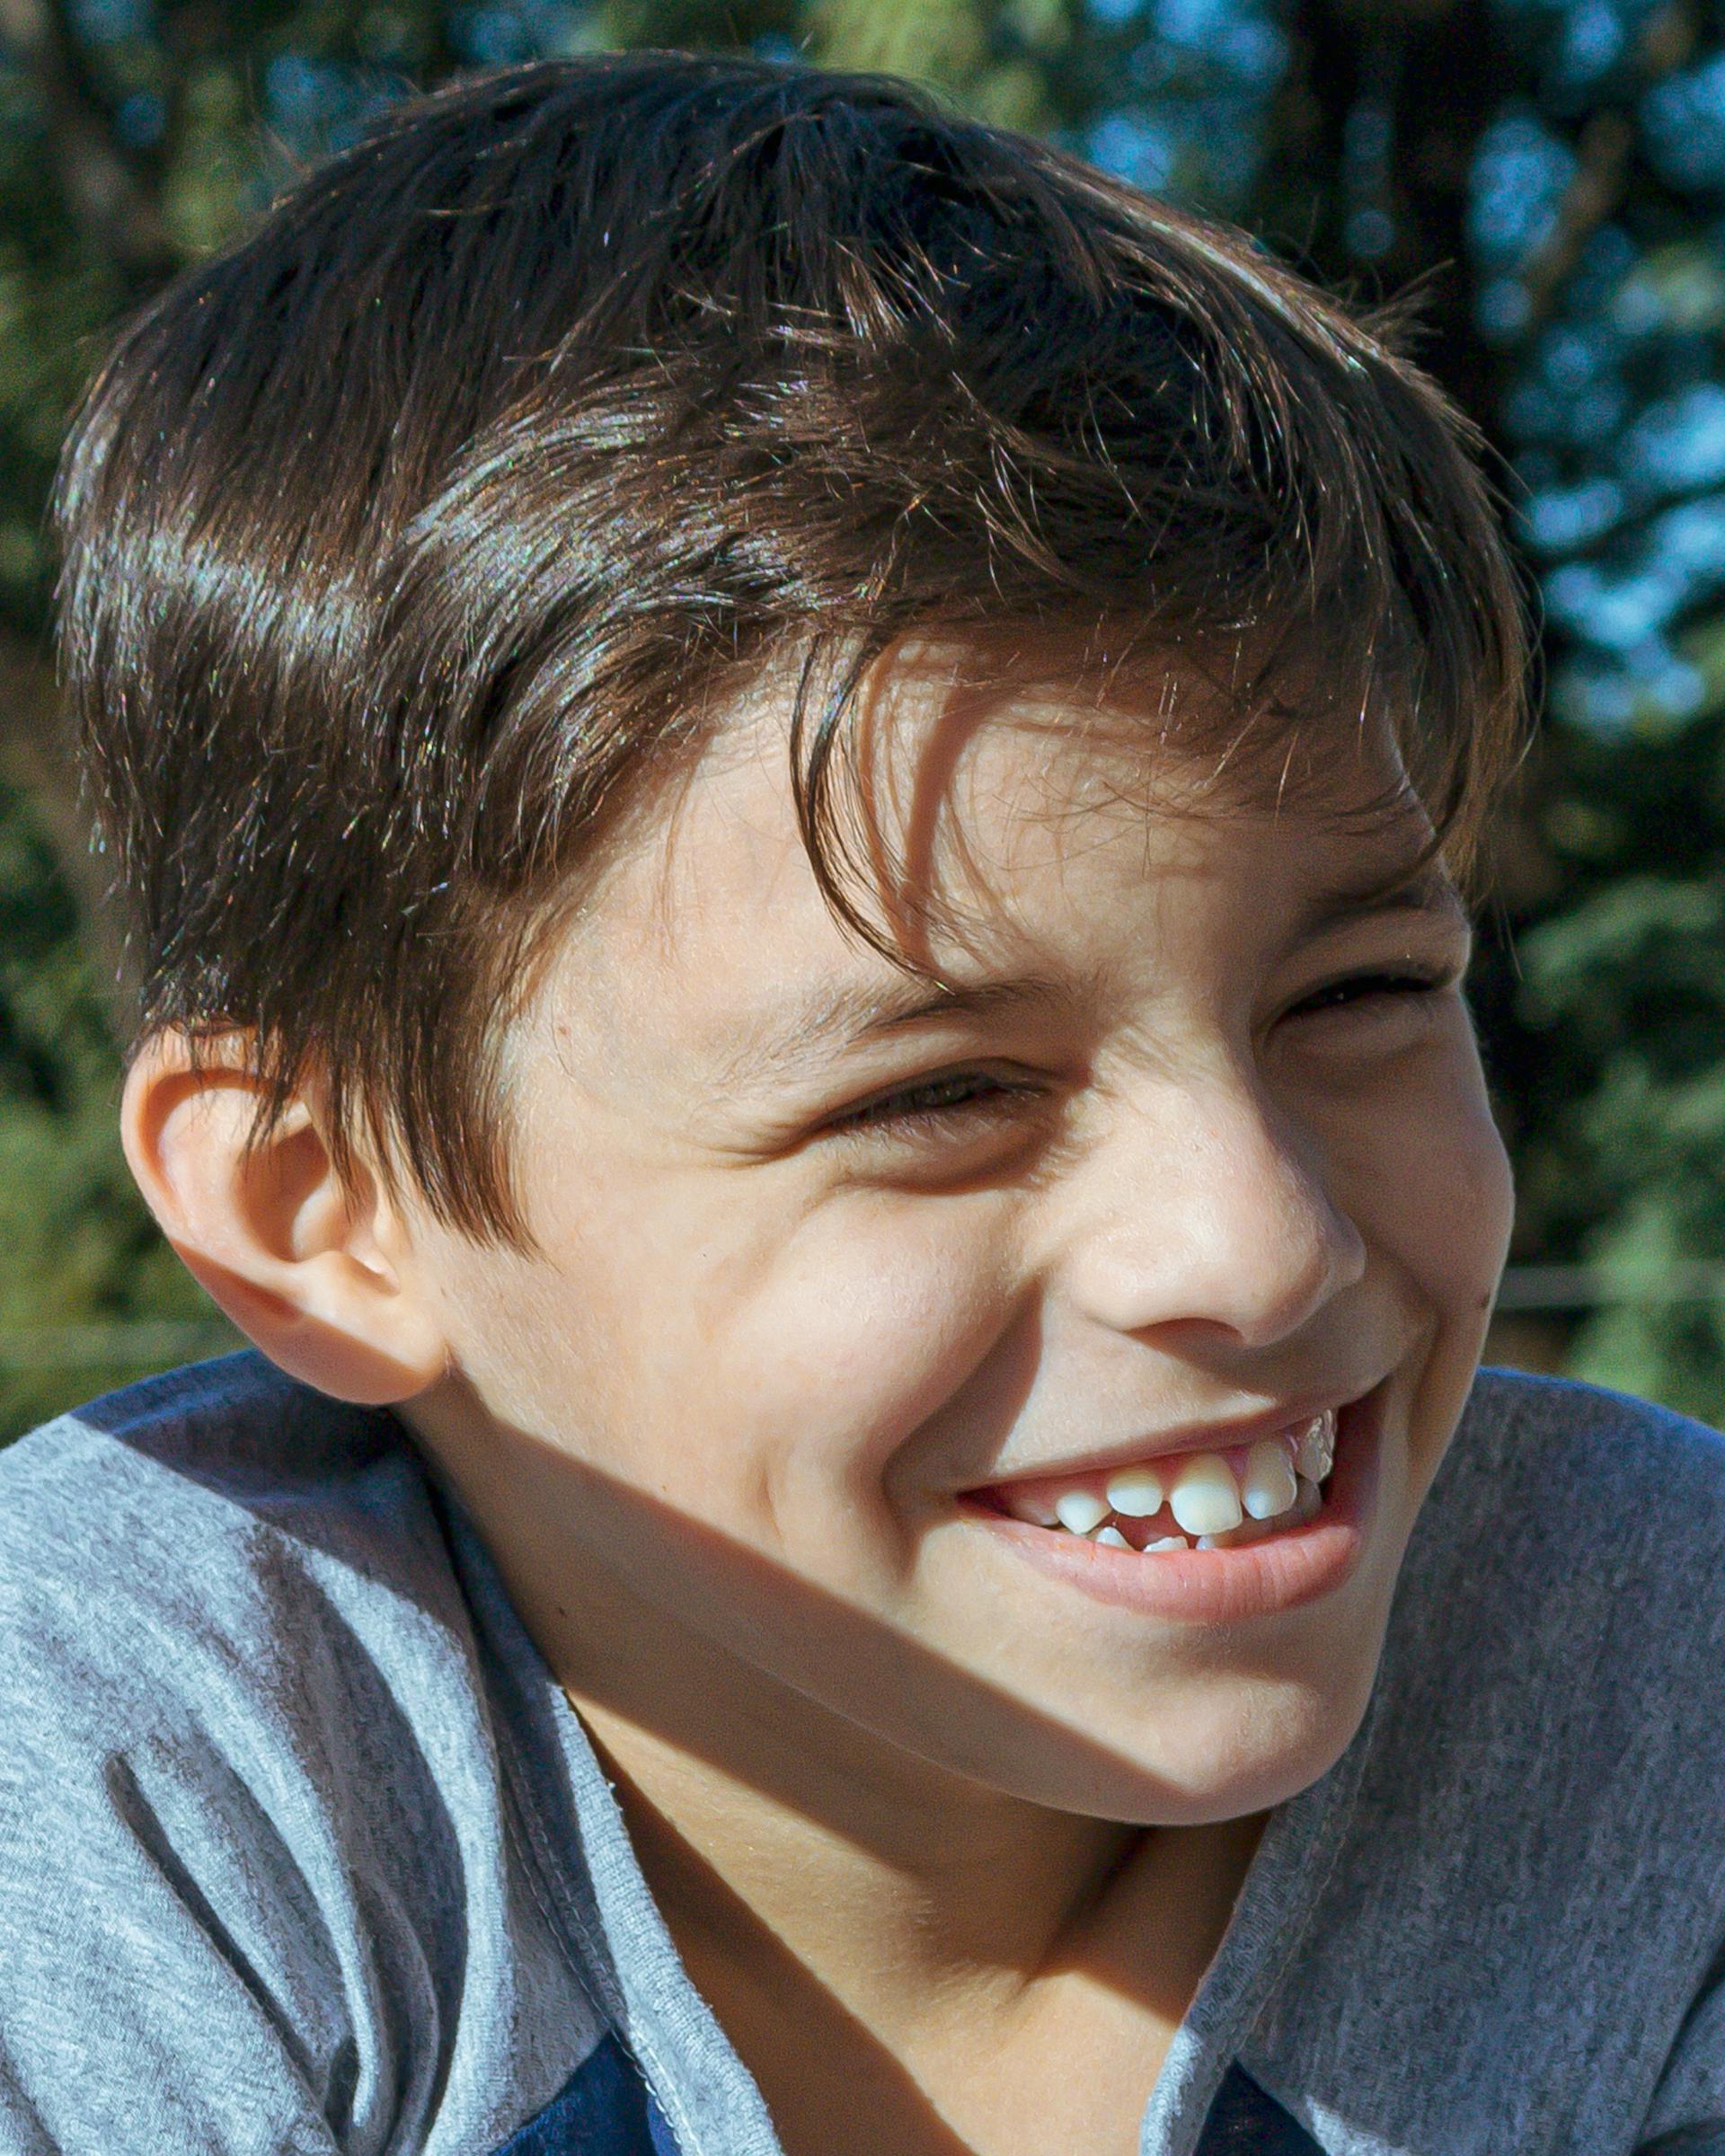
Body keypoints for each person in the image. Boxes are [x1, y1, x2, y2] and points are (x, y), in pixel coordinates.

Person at [6, 49, 1723, 2156]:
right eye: (946, 1093)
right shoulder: (140, 1782)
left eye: (1365, 989)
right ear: (329, 1211)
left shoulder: (1660, 1699)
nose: (1259, 1237)